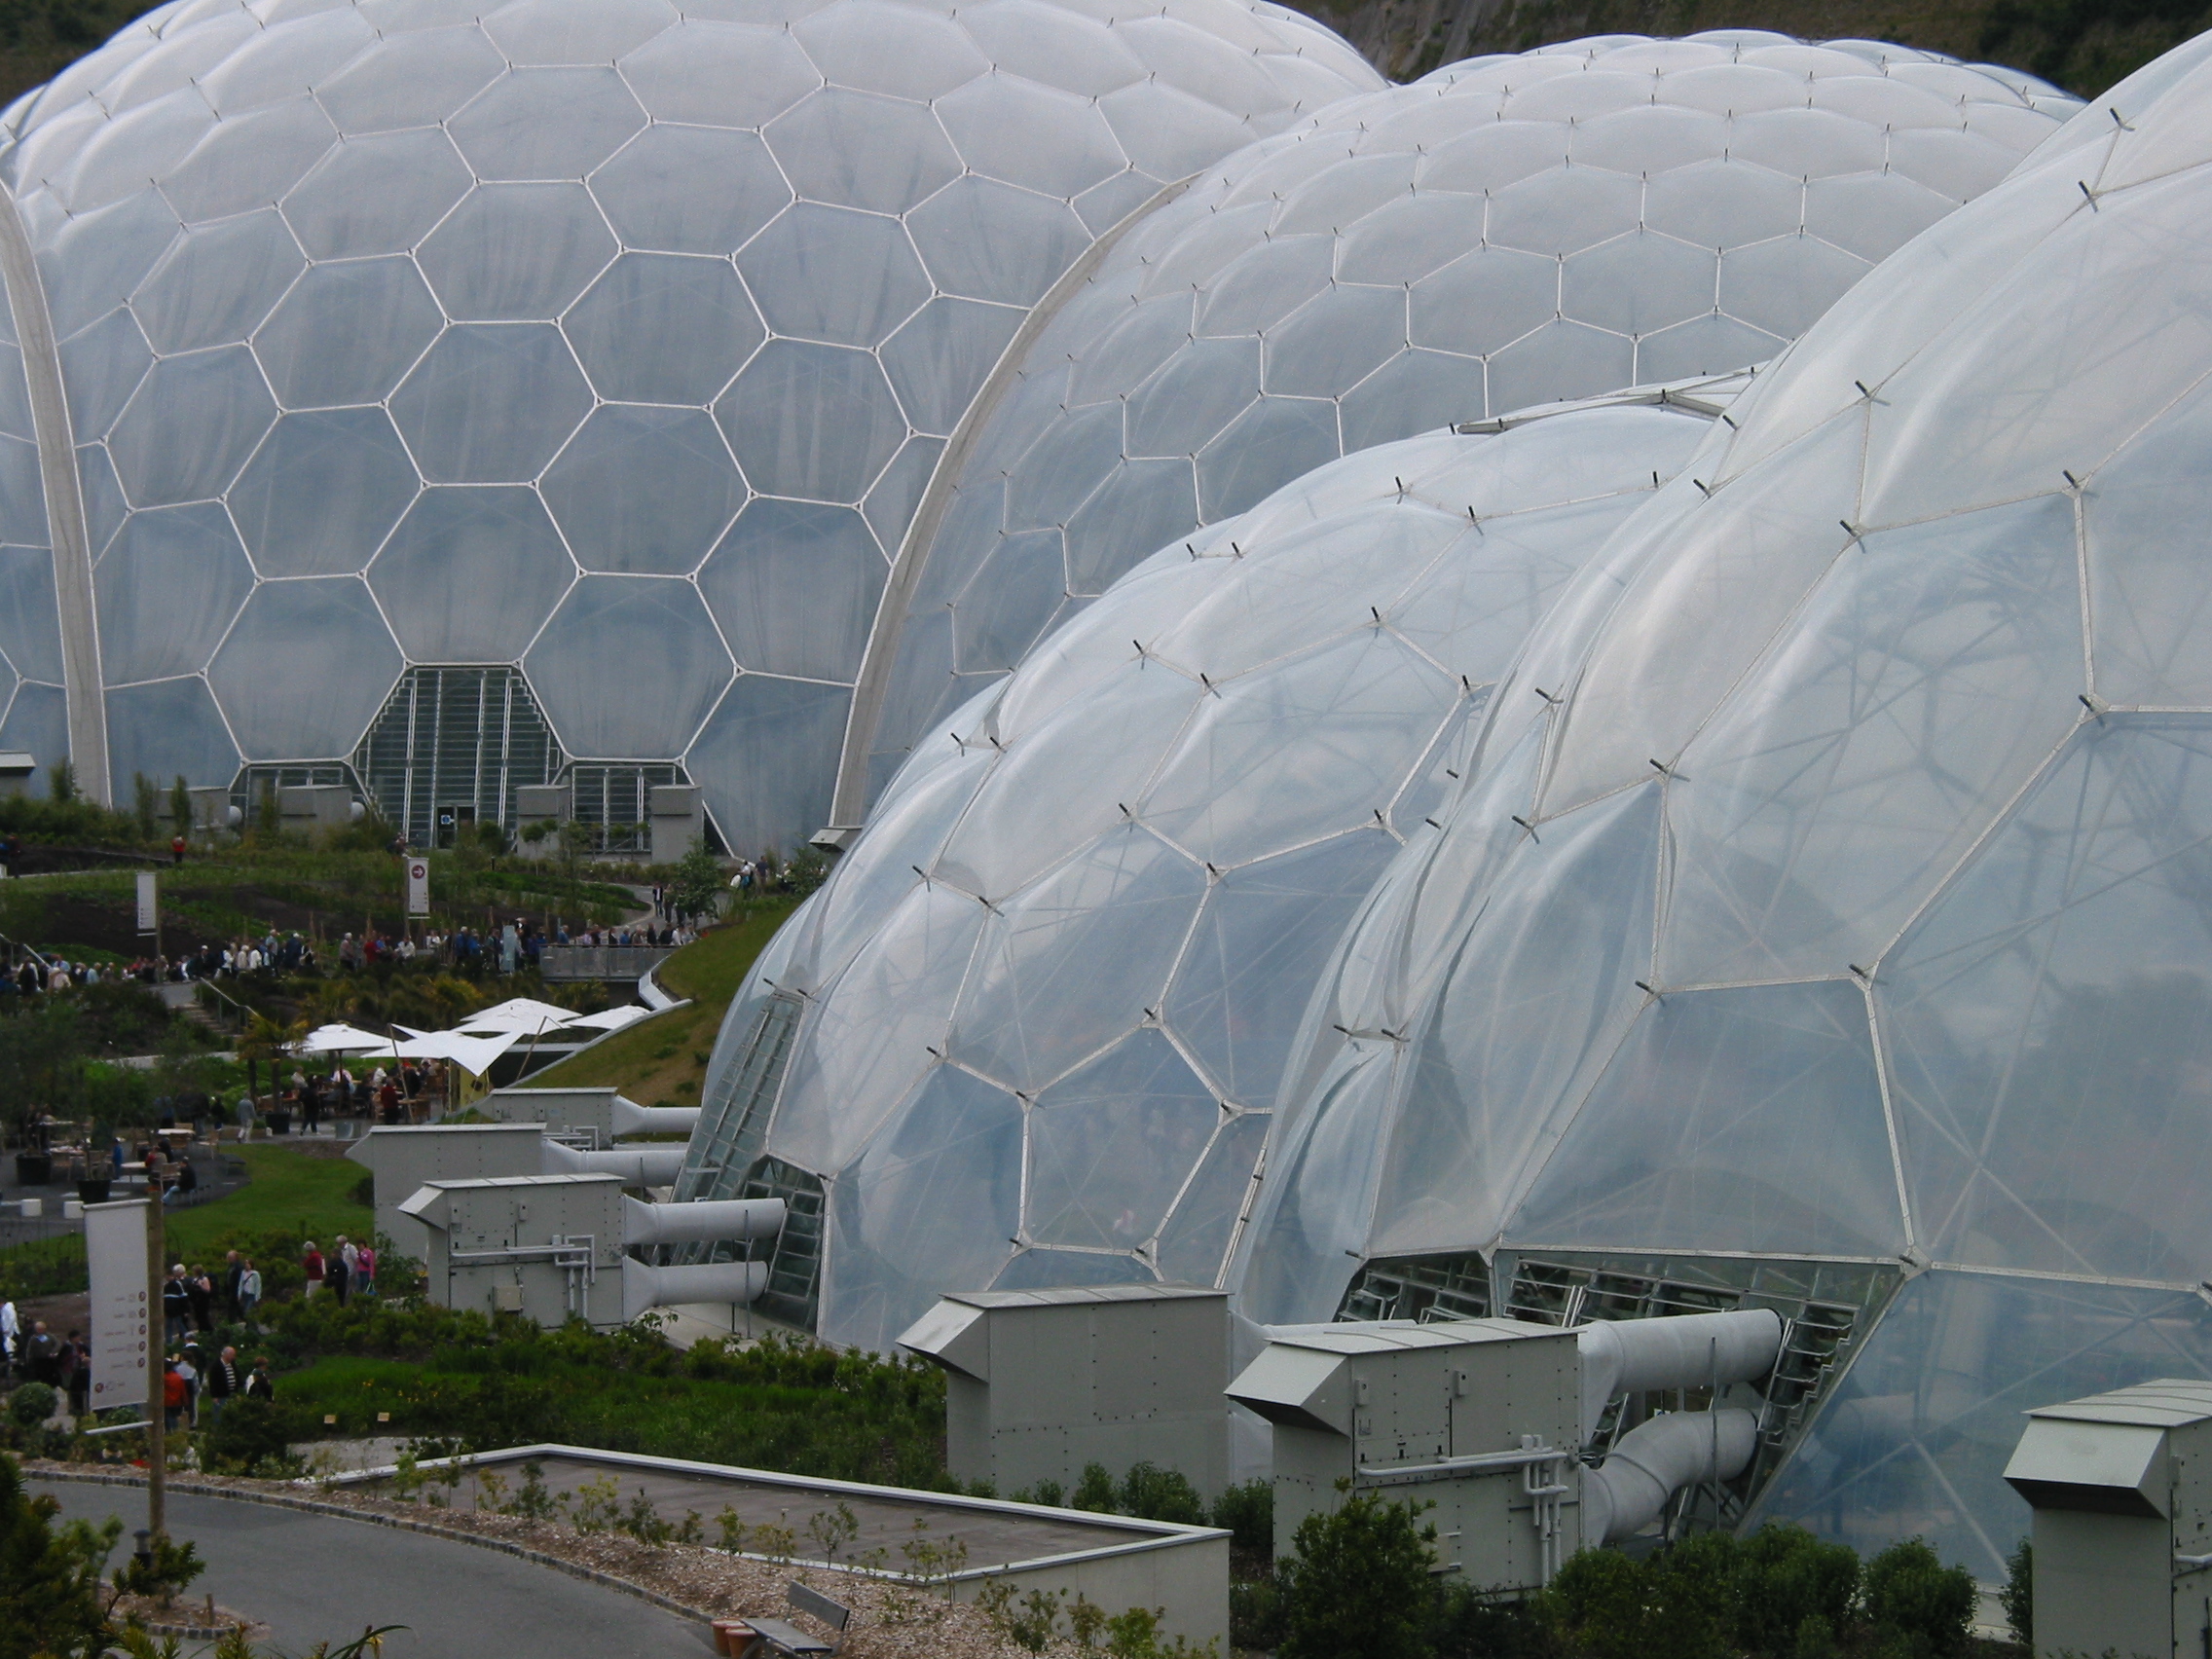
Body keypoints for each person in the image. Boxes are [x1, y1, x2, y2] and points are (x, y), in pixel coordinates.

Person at [203, 1346, 238, 1423]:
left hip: (232, 1393)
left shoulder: (232, 1364)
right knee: (219, 1415)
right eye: (232, 1355)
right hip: (221, 1395)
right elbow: (212, 1381)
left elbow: (237, 1376)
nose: (233, 1357)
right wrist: (214, 1396)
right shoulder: (216, 1366)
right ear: (226, 1355)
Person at [163, 1264, 191, 1344]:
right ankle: (169, 1342)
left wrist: (186, 1310)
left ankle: (188, 1339)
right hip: (168, 1310)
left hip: (177, 1310)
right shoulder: (166, 1286)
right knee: (168, 1326)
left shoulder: (178, 1284)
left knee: (180, 1325)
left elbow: (183, 1297)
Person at [63, 1332, 89, 1418]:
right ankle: (75, 1409)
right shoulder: (67, 1347)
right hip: (71, 1371)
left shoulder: (82, 1346)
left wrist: (85, 1358)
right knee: (73, 1390)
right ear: (72, 1338)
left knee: (82, 1391)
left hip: (81, 1370)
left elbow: (89, 1354)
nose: (78, 1339)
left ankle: (81, 1409)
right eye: (77, 1337)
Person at [162, 1356, 186, 1430]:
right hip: (177, 1402)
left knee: (167, 1418)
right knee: (174, 1417)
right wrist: (185, 1402)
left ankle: (169, 1432)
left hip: (166, 1402)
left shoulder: (163, 1378)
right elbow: (183, 1391)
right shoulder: (178, 1377)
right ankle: (175, 1431)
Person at [187, 1264, 213, 1332]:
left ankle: (209, 1330)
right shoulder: (194, 1279)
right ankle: (201, 1330)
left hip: (203, 1301)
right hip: (196, 1301)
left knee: (204, 1317)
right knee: (198, 1317)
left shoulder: (204, 1279)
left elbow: (207, 1290)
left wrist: (200, 1285)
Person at [328, 1237, 351, 1307]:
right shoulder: (343, 1264)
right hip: (342, 1284)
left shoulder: (335, 1264)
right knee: (341, 1300)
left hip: (337, 1285)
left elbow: (331, 1272)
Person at [223, 1250, 243, 1321]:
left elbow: (239, 1279)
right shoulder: (230, 1267)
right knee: (235, 1308)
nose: (228, 1259)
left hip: (236, 1291)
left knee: (234, 1308)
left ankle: (233, 1323)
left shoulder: (238, 1267)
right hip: (231, 1291)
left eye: (230, 1257)